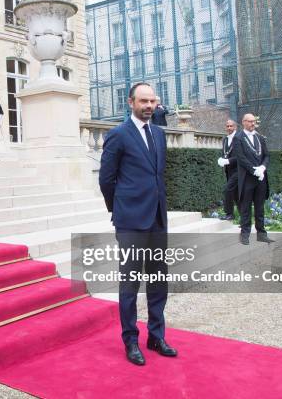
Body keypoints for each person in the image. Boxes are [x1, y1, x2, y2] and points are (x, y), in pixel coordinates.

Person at [99, 82, 177, 366]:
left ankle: (156, 336)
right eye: (143, 101)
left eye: (152, 101)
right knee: (130, 284)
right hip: (131, 221)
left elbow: (157, 176)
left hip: (157, 218)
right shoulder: (118, 135)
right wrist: (118, 210)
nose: (148, 106)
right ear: (131, 102)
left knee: (158, 281)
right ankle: (130, 341)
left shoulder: (159, 133)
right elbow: (106, 180)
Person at [233, 113, 274, 245]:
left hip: (261, 178)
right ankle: (245, 234)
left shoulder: (260, 137)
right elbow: (241, 158)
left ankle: (261, 234)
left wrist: (262, 168)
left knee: (260, 207)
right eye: (250, 121)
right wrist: (253, 170)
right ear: (243, 122)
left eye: (254, 121)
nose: (253, 124)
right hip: (247, 179)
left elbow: (267, 155)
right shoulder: (238, 138)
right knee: (245, 207)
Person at [217, 119, 238, 220]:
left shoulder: (239, 138)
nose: (229, 128)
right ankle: (243, 216)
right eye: (227, 126)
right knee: (236, 193)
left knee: (227, 189)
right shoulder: (225, 139)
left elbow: (240, 156)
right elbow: (225, 152)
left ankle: (229, 214)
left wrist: (228, 161)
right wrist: (222, 159)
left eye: (231, 126)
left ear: (235, 127)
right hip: (229, 171)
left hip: (238, 170)